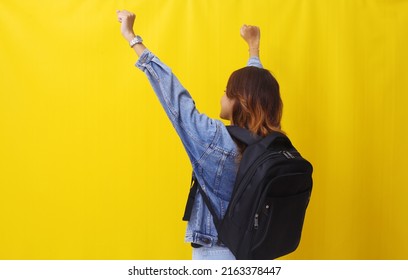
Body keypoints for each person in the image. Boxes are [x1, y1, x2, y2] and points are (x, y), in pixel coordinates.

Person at [116, 10, 283, 260]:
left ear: (240, 102)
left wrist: (131, 37)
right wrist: (253, 50)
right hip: (258, 254)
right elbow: (259, 93)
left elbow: (174, 95)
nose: (222, 95)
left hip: (217, 254)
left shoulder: (215, 139)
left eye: (227, 92)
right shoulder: (271, 144)